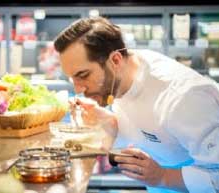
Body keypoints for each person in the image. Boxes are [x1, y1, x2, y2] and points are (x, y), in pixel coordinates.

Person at [53, 17, 219, 193]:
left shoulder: (184, 98)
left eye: (83, 75)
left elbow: (216, 176)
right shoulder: (123, 73)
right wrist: (111, 122)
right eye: (72, 79)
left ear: (115, 60)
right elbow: (147, 126)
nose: (78, 89)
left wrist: (163, 176)